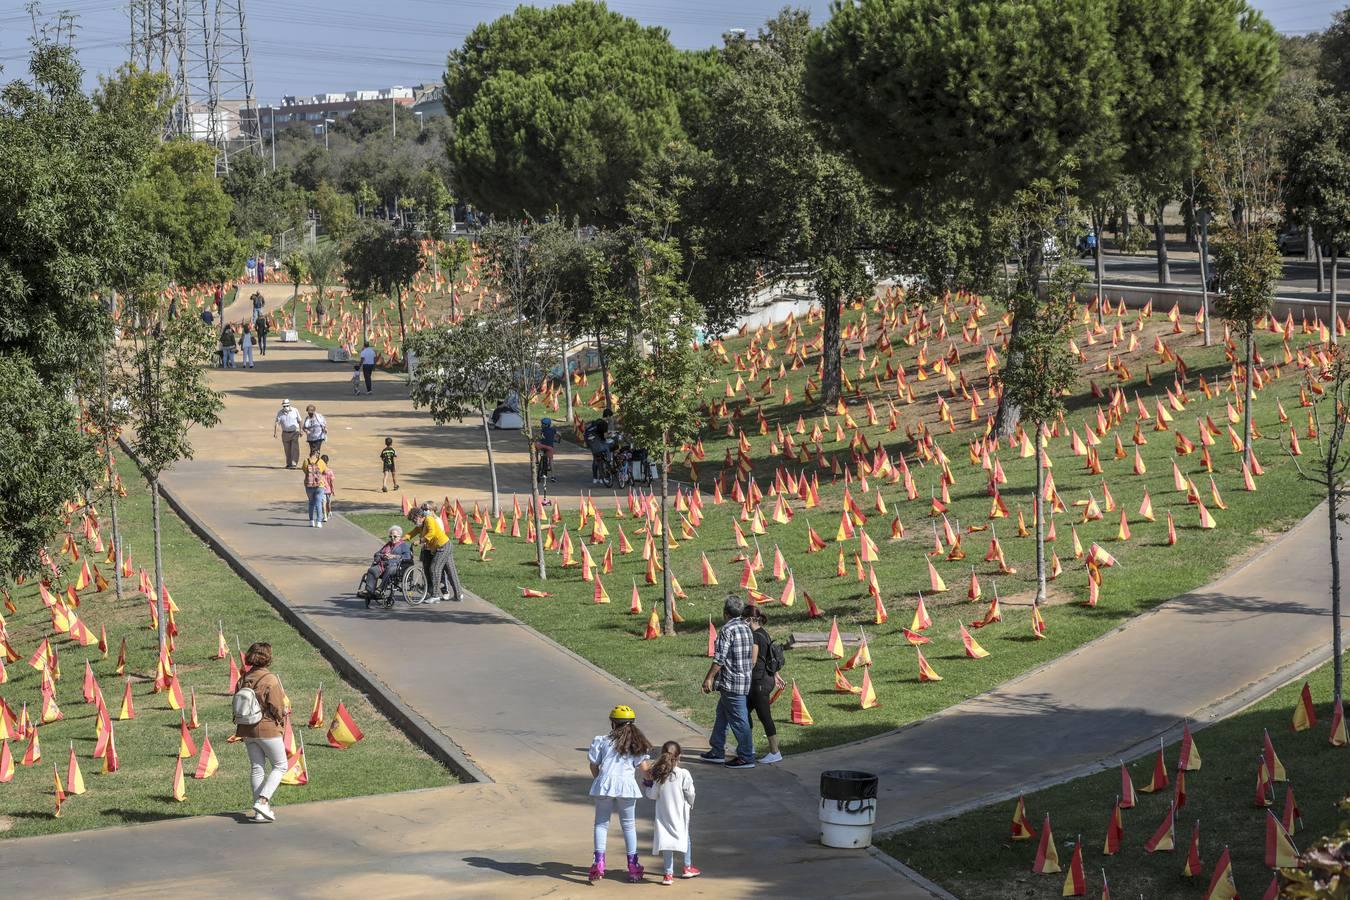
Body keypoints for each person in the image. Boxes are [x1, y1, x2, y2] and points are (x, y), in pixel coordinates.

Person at [588, 705, 653, 884]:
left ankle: (598, 862)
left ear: (612, 723)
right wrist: (650, 783)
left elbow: (594, 765)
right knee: (629, 826)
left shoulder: (601, 741)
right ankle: (633, 866)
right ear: (631, 723)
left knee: (601, 824)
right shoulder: (636, 743)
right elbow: (645, 769)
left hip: (604, 784)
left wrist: (599, 780)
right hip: (627, 786)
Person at [227, 641, 287, 822]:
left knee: (257, 767)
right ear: (268, 658)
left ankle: (259, 812)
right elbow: (277, 706)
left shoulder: (243, 678)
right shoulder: (270, 679)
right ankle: (263, 801)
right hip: (267, 728)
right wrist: (282, 717)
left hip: (247, 730)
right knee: (280, 765)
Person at [700, 595, 756, 769]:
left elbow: (719, 659)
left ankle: (746, 756)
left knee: (740, 721)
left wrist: (708, 678)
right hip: (743, 680)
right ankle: (717, 750)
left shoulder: (727, 630)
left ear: (725, 613)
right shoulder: (746, 628)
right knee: (722, 714)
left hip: (732, 683)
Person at [642, 741, 699, 884]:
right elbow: (690, 793)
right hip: (681, 812)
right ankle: (687, 867)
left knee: (666, 842)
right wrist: (690, 803)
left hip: (663, 814)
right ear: (679, 756)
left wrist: (647, 786)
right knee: (685, 837)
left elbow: (652, 795)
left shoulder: (659, 776)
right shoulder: (684, 774)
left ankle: (668, 875)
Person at [746, 609, 785, 764]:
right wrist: (775, 675)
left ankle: (775, 752)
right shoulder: (764, 633)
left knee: (764, 716)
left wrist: (739, 673)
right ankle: (748, 746)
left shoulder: (755, 636)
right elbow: (768, 657)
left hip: (759, 682)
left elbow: (754, 661)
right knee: (743, 712)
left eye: (744, 619)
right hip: (765, 679)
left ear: (750, 619)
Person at [407, 503, 461, 602]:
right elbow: (413, 532)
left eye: (414, 519)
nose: (414, 522)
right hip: (442, 546)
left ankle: (435, 595)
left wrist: (420, 541)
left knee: (434, 569)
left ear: (419, 516)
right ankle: (458, 595)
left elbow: (431, 533)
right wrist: (403, 538)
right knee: (450, 571)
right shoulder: (421, 525)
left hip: (443, 547)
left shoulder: (429, 519)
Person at [360, 525, 411, 605]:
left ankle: (380, 589)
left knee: (389, 569)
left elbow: (407, 557)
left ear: (400, 536)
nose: (392, 538)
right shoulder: (388, 545)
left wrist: (394, 556)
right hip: (383, 565)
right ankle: (369, 591)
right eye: (390, 536)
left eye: (395, 536)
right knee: (372, 570)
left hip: (396, 566)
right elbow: (377, 553)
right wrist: (382, 556)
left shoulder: (404, 545)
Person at [585, 408, 613, 484]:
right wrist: (610, 435)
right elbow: (605, 436)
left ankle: (595, 478)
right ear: (607, 416)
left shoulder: (597, 421)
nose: (610, 418)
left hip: (592, 444)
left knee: (595, 460)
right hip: (600, 444)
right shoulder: (604, 423)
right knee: (606, 453)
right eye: (610, 416)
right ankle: (603, 477)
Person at [301, 451, 328, 528]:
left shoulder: (306, 461)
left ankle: (311, 521)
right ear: (316, 453)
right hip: (319, 485)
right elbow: (325, 471)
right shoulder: (321, 461)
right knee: (318, 503)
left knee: (311, 503)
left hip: (309, 485)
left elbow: (304, 470)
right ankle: (319, 522)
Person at [274, 399, 302, 468]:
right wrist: (275, 432)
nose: (285, 407)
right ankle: (289, 463)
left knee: (294, 448)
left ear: (289, 405)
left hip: (294, 432)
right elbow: (277, 423)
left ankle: (294, 463)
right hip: (285, 433)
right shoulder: (280, 413)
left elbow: (300, 421)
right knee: (287, 449)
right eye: (284, 406)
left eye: (286, 405)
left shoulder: (295, 410)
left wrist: (301, 431)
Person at [320, 453, 335, 522]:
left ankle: (325, 515)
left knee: (324, 503)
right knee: (327, 503)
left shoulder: (319, 471)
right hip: (328, 490)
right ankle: (328, 513)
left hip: (322, 488)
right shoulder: (330, 471)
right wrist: (333, 489)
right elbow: (331, 482)